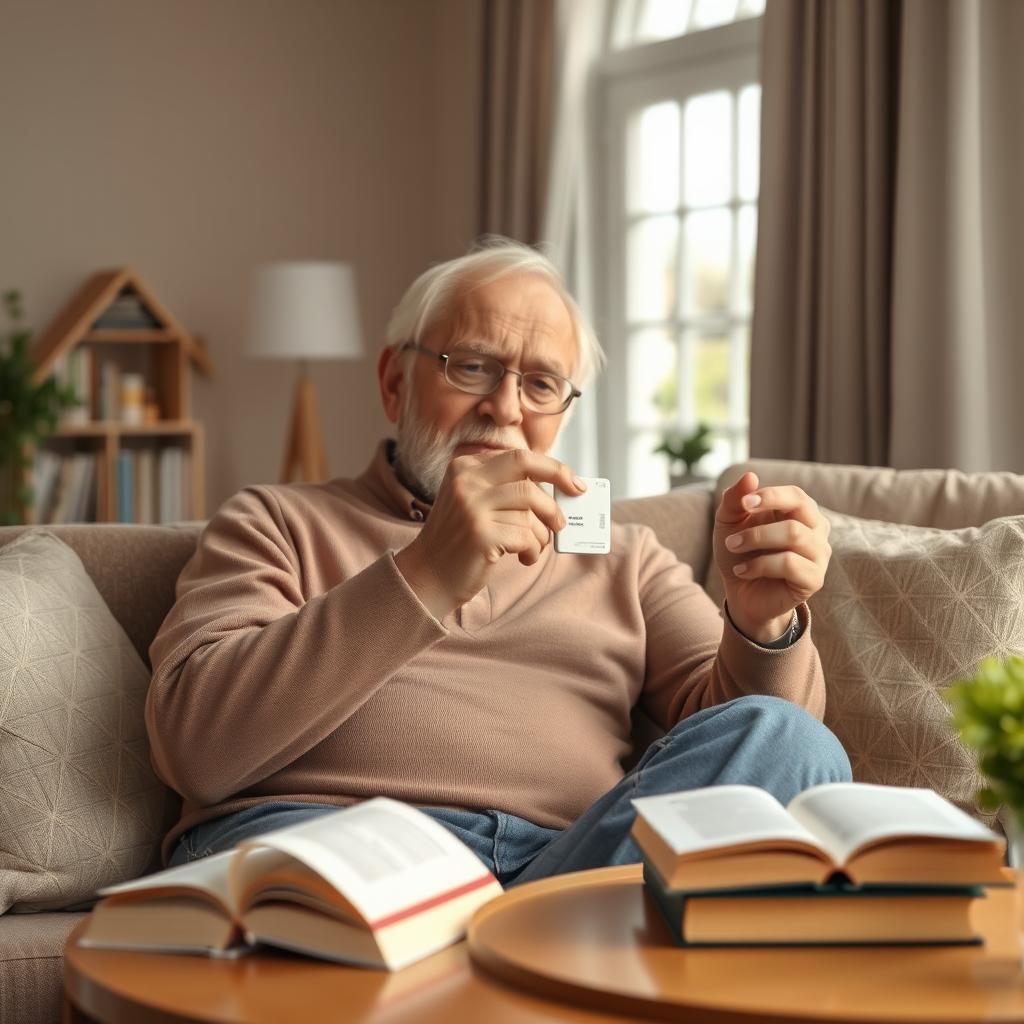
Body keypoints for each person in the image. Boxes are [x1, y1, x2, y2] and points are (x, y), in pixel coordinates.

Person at [146, 237, 850, 883]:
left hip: (565, 864)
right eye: (472, 367)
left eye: (541, 383)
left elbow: (747, 740)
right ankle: (525, 967)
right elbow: (197, 749)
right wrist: (427, 572)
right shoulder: (276, 521)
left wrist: (764, 627)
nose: (504, 408)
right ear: (394, 382)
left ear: (564, 413)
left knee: (791, 740)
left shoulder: (623, 555)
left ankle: (509, 953)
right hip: (335, 844)